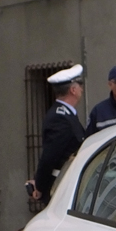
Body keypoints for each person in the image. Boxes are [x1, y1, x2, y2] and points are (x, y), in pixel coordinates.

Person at [28, 64, 85, 203]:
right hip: (62, 187)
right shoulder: (60, 118)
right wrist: (39, 187)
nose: (81, 89)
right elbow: (50, 156)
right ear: (73, 90)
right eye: (80, 85)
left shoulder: (66, 114)